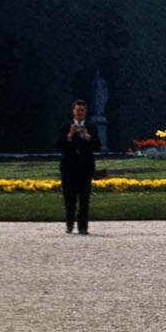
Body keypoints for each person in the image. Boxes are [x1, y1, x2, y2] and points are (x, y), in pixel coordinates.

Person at [56, 99, 97, 234]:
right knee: (69, 198)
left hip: (85, 168)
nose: (80, 113)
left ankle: (83, 226)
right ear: (73, 111)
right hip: (69, 168)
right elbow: (59, 146)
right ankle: (69, 224)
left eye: (82, 110)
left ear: (85, 112)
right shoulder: (65, 126)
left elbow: (98, 146)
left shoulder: (91, 127)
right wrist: (70, 135)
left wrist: (87, 136)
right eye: (78, 110)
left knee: (84, 199)